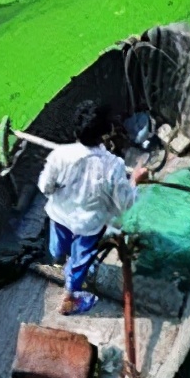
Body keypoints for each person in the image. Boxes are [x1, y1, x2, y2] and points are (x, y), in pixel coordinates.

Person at [37, 100, 146, 315]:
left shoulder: (60, 155)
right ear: (104, 133)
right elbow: (126, 204)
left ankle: (58, 259)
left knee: (58, 247)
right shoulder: (113, 166)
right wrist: (135, 180)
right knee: (80, 260)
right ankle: (69, 298)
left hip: (59, 216)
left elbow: (45, 187)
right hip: (88, 226)